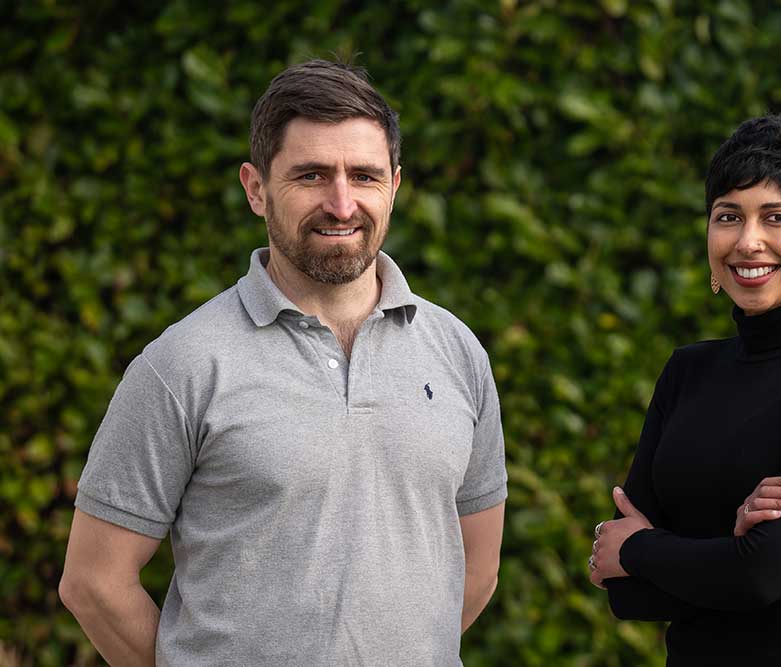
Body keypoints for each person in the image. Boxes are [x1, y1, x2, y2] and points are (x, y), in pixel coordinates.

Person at [58, 60, 507, 666]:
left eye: (364, 176)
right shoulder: (183, 365)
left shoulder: (457, 352)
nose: (342, 203)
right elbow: (94, 582)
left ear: (395, 186)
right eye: (312, 175)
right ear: (256, 188)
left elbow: (476, 570)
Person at [589, 115, 781, 666]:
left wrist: (641, 547)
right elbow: (628, 594)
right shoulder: (687, 370)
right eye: (728, 216)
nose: (747, 242)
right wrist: (727, 548)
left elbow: (763, 575)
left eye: (777, 217)